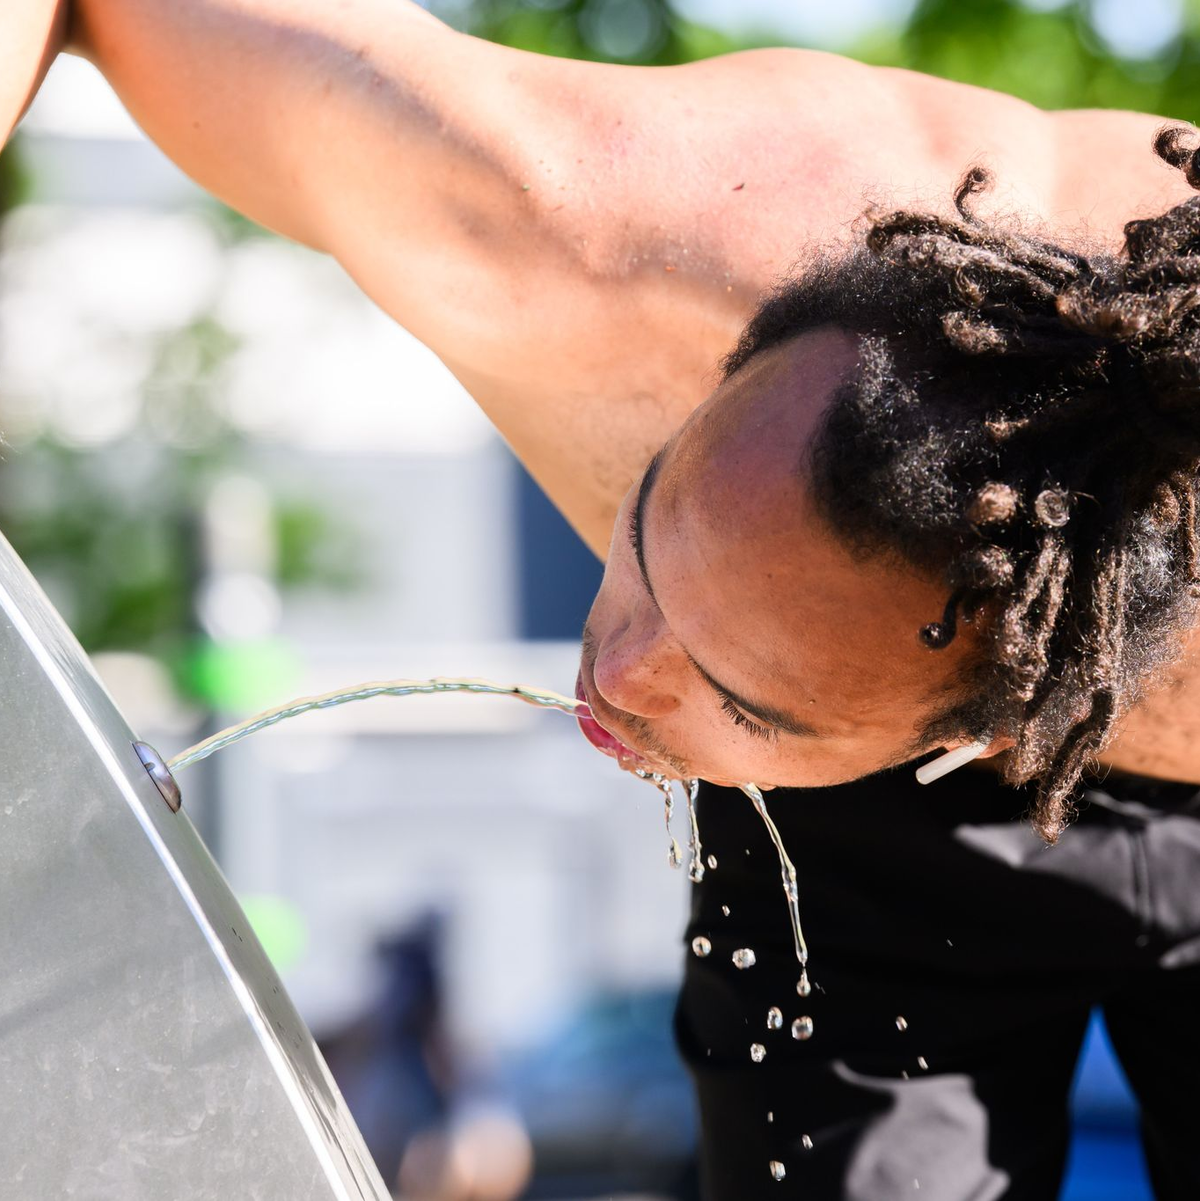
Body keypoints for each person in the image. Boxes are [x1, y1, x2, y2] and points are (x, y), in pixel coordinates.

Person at [12, 1, 1200, 1195]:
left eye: (734, 692)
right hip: (848, 794)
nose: (618, 675)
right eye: (656, 537)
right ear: (719, 381)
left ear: (978, 734)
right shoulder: (553, 211)